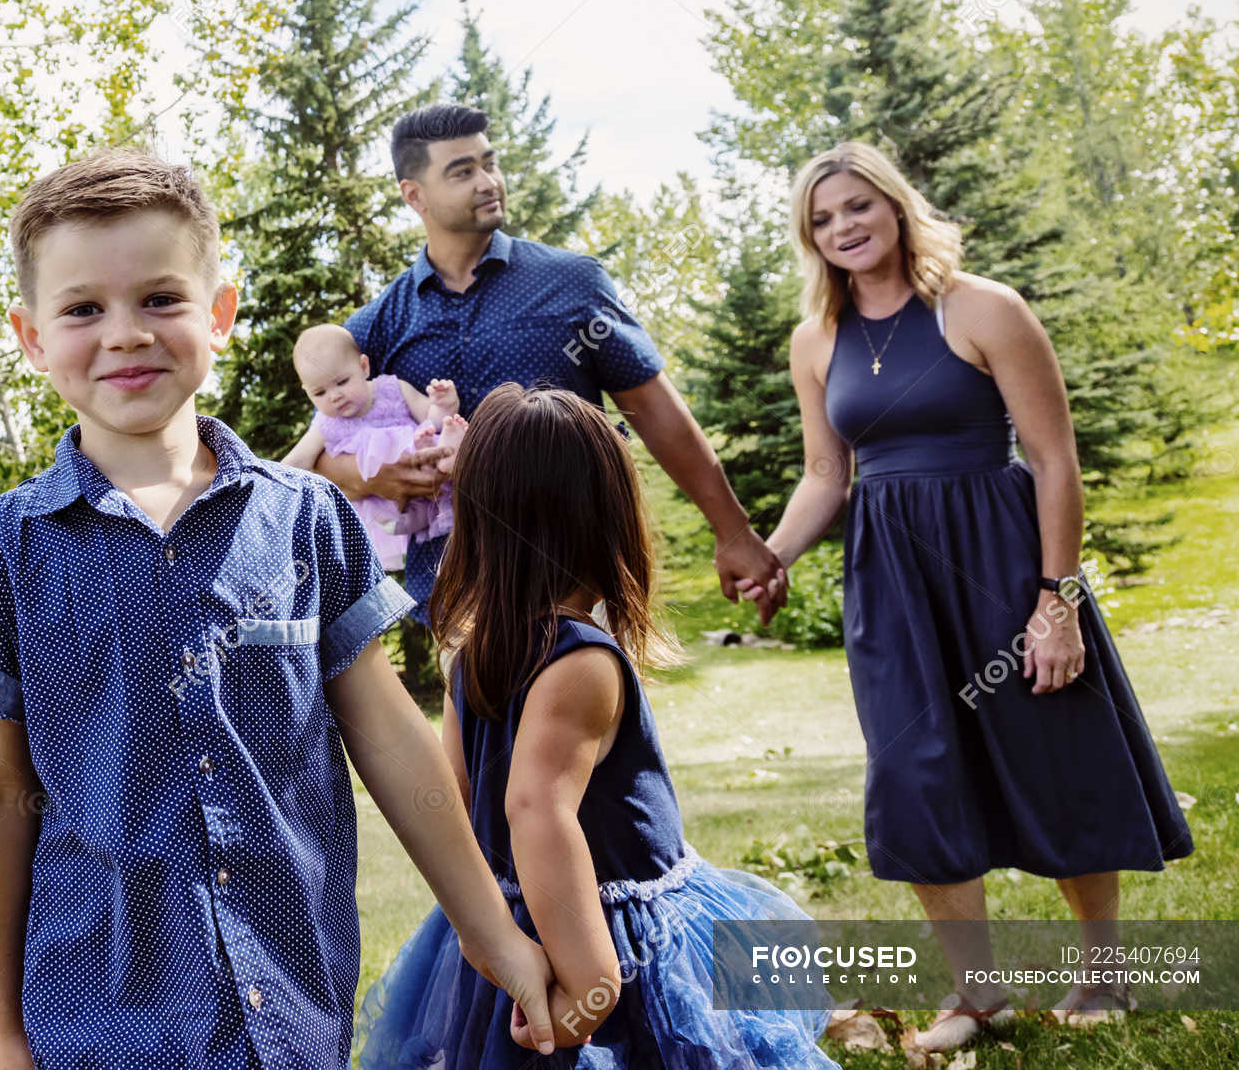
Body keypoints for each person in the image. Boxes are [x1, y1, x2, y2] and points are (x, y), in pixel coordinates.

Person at [0, 148, 562, 1070]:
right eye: (83, 309)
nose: (126, 333)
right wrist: (5, 1032)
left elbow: (388, 739)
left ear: (219, 315)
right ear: (30, 336)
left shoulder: (307, 519)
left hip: (292, 1004)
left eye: (161, 300)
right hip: (95, 1021)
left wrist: (491, 936)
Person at [742, 141, 1193, 1051]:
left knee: (1056, 751)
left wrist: (1054, 600)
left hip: (998, 555)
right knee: (912, 774)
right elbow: (828, 472)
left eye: (858, 206)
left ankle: (1104, 978)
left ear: (896, 205)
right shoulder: (815, 340)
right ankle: (976, 996)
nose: (844, 228)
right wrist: (773, 555)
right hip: (891, 579)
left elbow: (1054, 459)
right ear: (809, 237)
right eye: (823, 219)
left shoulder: (982, 307)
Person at [355, 384, 839, 1069]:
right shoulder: (581, 662)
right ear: (609, 518)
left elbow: (452, 800)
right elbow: (536, 809)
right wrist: (592, 981)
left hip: (515, 927)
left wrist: (478, 928)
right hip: (607, 937)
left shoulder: (474, 650)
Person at [309, 103, 784, 629]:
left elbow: (652, 410)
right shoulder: (377, 325)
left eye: (490, 163)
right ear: (414, 195)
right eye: (463, 171)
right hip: (456, 599)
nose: (489, 181)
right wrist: (375, 474)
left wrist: (733, 531)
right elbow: (322, 446)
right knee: (472, 717)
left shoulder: (574, 284)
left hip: (581, 584)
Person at [282, 323, 467, 570]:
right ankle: (444, 464)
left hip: (427, 468)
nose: (334, 396)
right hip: (385, 505)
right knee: (399, 521)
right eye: (320, 392)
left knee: (431, 436)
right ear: (307, 393)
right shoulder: (326, 424)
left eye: (342, 382)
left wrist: (444, 405)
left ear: (363, 367)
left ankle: (450, 455)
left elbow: (429, 417)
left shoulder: (393, 388)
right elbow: (296, 462)